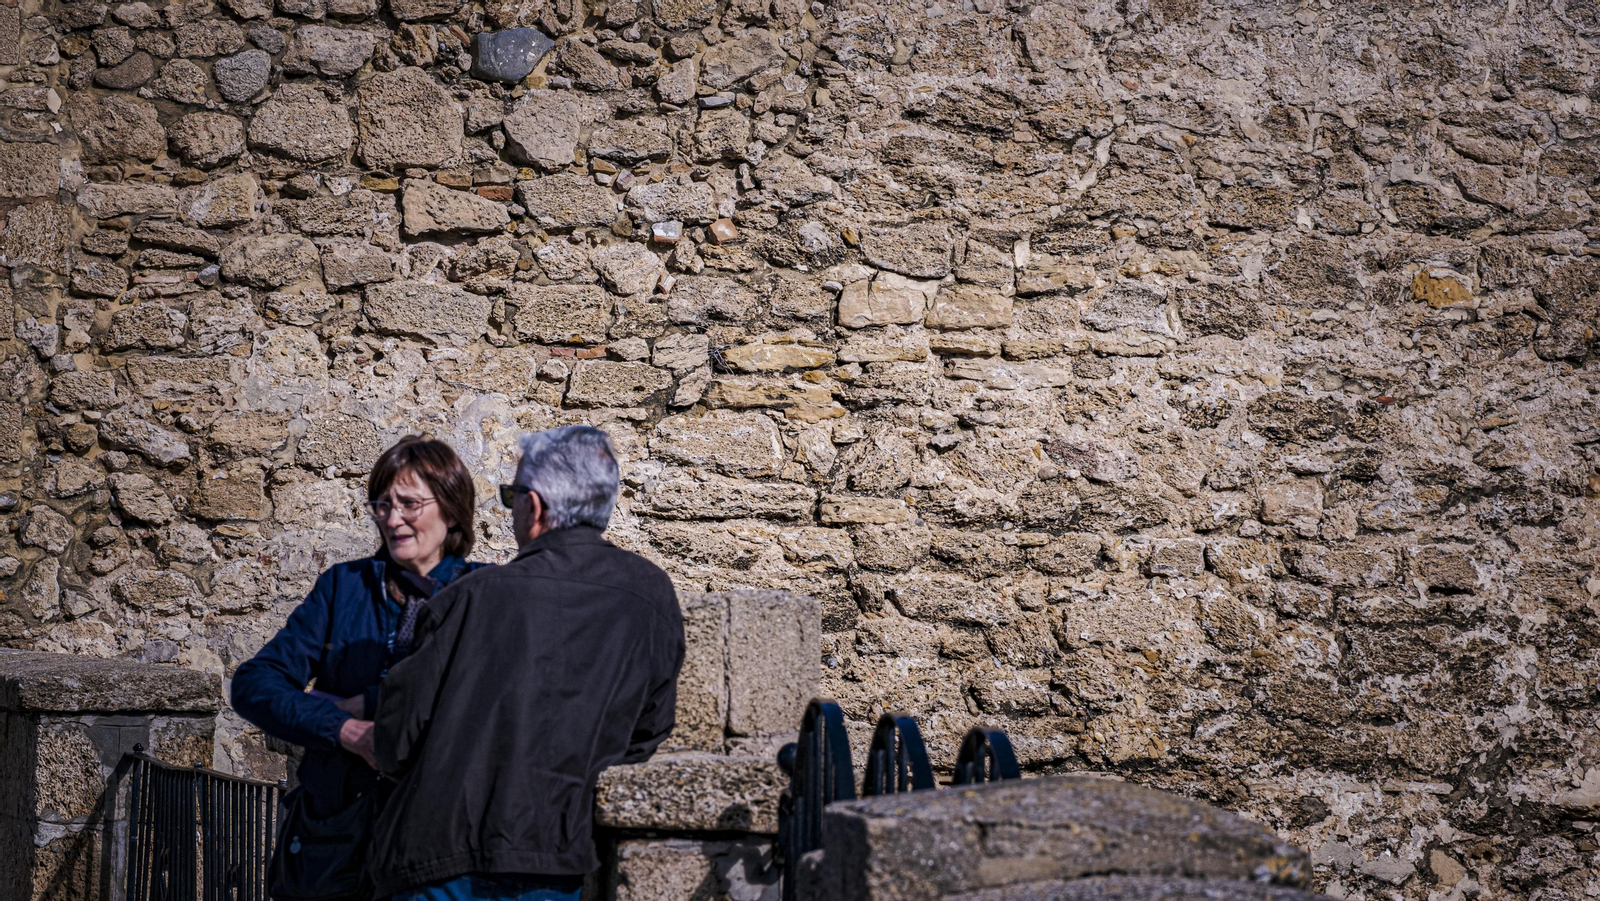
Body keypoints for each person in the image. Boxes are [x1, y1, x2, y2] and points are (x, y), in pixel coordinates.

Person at [367, 425, 685, 901]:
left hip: (439, 855)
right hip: (555, 854)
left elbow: (395, 740)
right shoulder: (652, 594)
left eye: (512, 494)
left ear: (534, 508)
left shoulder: (470, 598)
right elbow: (649, 730)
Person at [232, 436, 490, 862]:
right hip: (338, 837)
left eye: (409, 504)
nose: (392, 519)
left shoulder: (483, 593)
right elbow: (255, 684)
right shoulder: (344, 586)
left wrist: (371, 702)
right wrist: (345, 729)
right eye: (382, 505)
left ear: (451, 509)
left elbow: (484, 700)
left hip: (439, 840)